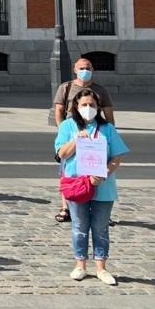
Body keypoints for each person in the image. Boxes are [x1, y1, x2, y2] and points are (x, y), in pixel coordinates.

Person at [54, 88, 128, 285]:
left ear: (98, 107)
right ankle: (80, 265)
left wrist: (103, 174)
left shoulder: (108, 129)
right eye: (84, 105)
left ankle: (101, 268)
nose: (88, 108)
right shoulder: (68, 126)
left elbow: (117, 156)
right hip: (77, 185)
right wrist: (76, 139)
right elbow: (62, 153)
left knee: (100, 228)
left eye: (92, 105)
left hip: (102, 186)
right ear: (76, 108)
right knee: (79, 226)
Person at [53, 57, 116, 223]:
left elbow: (109, 114)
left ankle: (99, 208)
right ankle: (66, 206)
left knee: (95, 169)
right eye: (81, 68)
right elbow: (58, 110)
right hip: (72, 132)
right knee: (68, 171)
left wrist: (110, 133)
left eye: (87, 67)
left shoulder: (100, 90)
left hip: (95, 134)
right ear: (75, 70)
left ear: (93, 69)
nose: (84, 70)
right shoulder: (66, 87)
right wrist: (63, 130)